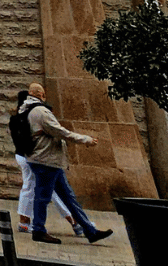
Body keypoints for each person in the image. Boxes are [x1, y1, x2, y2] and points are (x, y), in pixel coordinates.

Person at [21, 82, 113, 244]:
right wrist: (85, 139)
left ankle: (90, 231)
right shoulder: (40, 111)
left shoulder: (26, 110)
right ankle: (39, 230)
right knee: (43, 197)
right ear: (41, 95)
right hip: (46, 160)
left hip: (47, 160)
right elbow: (61, 132)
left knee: (68, 197)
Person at [12, 90, 82, 235]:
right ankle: (74, 221)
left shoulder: (16, 118)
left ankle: (25, 222)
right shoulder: (32, 115)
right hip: (35, 157)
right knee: (49, 189)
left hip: (22, 156)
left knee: (30, 187)